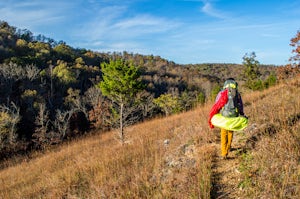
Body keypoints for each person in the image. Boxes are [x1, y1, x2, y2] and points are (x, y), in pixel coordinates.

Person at [208, 78, 248, 159]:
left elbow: (217, 104)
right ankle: (228, 147)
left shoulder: (222, 93)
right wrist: (242, 114)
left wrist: (215, 113)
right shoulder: (237, 93)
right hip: (234, 115)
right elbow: (240, 105)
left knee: (223, 134)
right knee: (230, 131)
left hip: (224, 115)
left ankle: (224, 153)